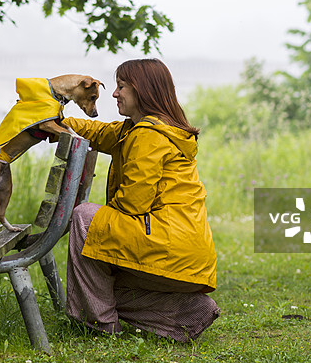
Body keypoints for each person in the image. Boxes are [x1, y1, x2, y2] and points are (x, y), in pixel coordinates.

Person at [62, 58, 219, 342]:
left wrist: (99, 231)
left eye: (121, 86)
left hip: (167, 246)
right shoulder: (140, 129)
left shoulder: (149, 136)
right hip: (188, 257)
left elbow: (133, 204)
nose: (114, 93)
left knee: (86, 218)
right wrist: (57, 121)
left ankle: (101, 325)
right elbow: (99, 132)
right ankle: (191, 312)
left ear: (143, 90)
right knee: (97, 277)